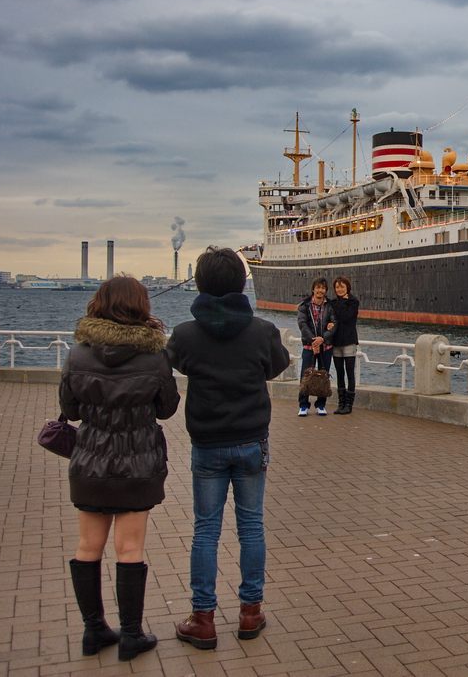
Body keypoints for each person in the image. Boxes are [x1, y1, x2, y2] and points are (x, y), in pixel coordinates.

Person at [167, 247, 291, 648]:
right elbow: (277, 366)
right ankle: (250, 613)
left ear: (201, 284)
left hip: (207, 444)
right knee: (251, 525)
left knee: (206, 529)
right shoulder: (262, 331)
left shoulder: (186, 333)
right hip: (252, 440)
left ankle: (202, 617)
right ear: (242, 283)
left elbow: (174, 362)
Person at [60, 276, 179, 661]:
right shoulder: (155, 355)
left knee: (87, 546)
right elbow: (166, 407)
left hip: (90, 459)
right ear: (140, 307)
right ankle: (131, 635)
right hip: (137, 461)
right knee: (130, 549)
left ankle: (93, 631)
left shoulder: (78, 354)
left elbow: (70, 410)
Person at [296, 277, 336, 416]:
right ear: (313, 289)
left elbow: (334, 325)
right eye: (318, 287)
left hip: (325, 346)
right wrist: (314, 341)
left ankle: (321, 404)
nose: (320, 290)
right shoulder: (304, 306)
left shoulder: (330, 306)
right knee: (306, 374)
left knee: (323, 375)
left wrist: (322, 338)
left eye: (323, 288)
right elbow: (302, 324)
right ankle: (303, 405)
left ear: (326, 290)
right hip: (309, 346)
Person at [330, 275, 360, 414]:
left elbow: (347, 317)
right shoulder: (332, 303)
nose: (339, 289)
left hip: (349, 341)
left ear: (348, 287)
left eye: (342, 286)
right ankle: (341, 403)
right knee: (339, 373)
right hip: (336, 342)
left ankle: (349, 405)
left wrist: (342, 302)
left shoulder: (353, 301)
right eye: (337, 287)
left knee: (350, 373)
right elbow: (331, 318)